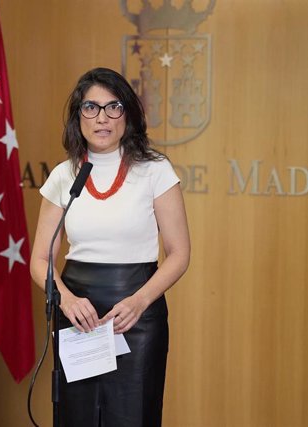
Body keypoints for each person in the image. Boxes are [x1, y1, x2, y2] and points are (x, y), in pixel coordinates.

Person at [30, 67, 191, 427]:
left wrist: (139, 301)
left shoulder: (156, 170)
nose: (101, 118)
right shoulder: (63, 175)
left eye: (112, 107)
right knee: (78, 417)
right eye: (91, 108)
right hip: (78, 317)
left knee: (132, 416)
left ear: (128, 114)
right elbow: (40, 259)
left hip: (137, 314)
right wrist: (66, 300)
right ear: (78, 117)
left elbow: (179, 253)